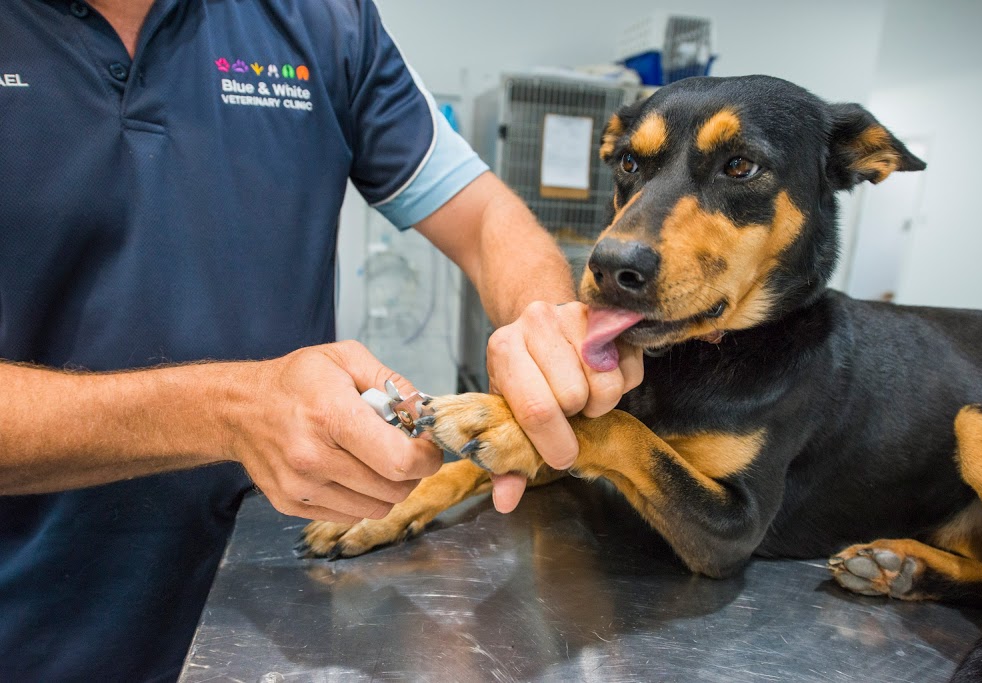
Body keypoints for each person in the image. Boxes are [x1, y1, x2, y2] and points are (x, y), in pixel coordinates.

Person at [0, 0, 643, 679]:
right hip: (38, 624)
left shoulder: (323, 21)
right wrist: (230, 411)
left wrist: (542, 325)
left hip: (280, 604)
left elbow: (485, 218)